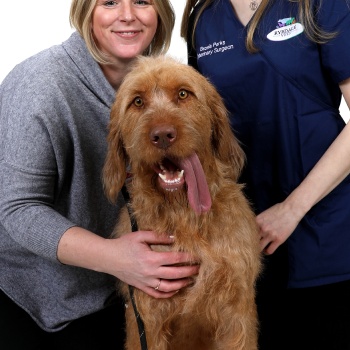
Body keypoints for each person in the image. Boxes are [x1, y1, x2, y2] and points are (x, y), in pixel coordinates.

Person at [0, 1, 200, 349]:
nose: (127, 14)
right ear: (86, 12)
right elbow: (17, 209)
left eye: (142, 1)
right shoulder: (40, 86)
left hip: (115, 291)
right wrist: (117, 258)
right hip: (40, 303)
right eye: (109, 2)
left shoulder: (160, 87)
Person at [181, 0, 350, 349]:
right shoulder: (204, 18)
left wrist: (292, 209)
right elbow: (203, 130)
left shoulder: (322, 5)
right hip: (244, 235)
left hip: (328, 228)